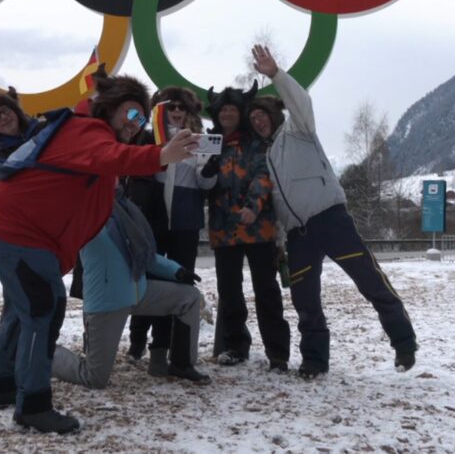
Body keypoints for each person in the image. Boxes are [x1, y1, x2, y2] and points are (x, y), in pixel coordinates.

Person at [0, 69, 200, 434]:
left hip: (17, 232)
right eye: (130, 113)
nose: (134, 123)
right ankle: (32, 404)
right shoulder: (87, 130)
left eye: (141, 118)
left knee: (23, 308)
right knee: (44, 308)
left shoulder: (84, 132)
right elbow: (112, 155)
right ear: (109, 108)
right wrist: (161, 155)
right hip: (19, 233)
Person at [250, 45, 418, 378]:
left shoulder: (299, 130)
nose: (258, 123)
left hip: (331, 219)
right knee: (304, 300)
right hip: (300, 235)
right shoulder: (269, 157)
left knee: (369, 279)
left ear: (275, 116)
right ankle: (314, 362)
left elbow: (302, 101)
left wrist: (275, 74)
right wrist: (281, 240)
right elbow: (280, 204)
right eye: (253, 121)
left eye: (262, 117)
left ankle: (404, 341)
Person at [52, 183, 212, 389]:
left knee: (189, 297)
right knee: (94, 377)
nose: (114, 178)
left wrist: (176, 270)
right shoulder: (82, 212)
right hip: (107, 302)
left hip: (138, 290)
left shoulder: (125, 209)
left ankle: (182, 363)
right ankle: (41, 352)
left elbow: (144, 255)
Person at [126, 87, 218, 379]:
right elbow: (126, 125)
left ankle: (177, 357)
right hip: (152, 221)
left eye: (181, 106)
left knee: (181, 288)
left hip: (185, 222)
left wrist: (211, 167)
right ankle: (139, 341)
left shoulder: (198, 139)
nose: (176, 111)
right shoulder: (148, 135)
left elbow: (205, 185)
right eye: (169, 105)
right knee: (149, 284)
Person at [205, 81, 291, 370]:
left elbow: (262, 174)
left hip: (258, 228)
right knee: (229, 292)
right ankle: (235, 346)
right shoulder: (209, 143)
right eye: (223, 109)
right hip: (222, 229)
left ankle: (277, 352)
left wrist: (253, 207)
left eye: (232, 109)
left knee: (266, 291)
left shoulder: (255, 142)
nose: (227, 114)